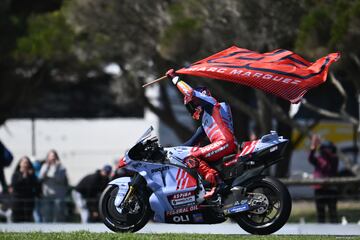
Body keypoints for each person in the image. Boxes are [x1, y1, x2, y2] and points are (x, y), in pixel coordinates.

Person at [166, 69, 237, 199]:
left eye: (191, 104)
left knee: (191, 158)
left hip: (224, 142)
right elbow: (190, 143)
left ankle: (218, 184)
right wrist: (168, 151)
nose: (191, 108)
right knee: (191, 154)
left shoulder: (210, 103)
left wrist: (174, 78)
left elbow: (190, 92)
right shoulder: (207, 120)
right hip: (227, 144)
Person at [309, 134, 339, 223]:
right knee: (320, 212)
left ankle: (335, 231)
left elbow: (329, 155)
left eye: (329, 148)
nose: (327, 150)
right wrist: (314, 146)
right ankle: (321, 231)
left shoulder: (334, 159)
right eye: (326, 148)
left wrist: (320, 143)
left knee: (333, 211)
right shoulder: (318, 159)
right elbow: (310, 158)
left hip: (331, 189)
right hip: (319, 188)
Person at [39, 150, 68, 222]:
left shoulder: (61, 167)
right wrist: (47, 168)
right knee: (47, 214)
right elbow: (41, 177)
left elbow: (60, 179)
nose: (52, 158)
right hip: (47, 195)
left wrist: (56, 168)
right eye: (51, 156)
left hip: (58, 195)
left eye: (54, 156)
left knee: (58, 214)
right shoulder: (44, 166)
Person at [10, 156, 39, 222]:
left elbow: (36, 185)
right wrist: (23, 176)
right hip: (17, 201)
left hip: (28, 201)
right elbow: (15, 185)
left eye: (27, 163)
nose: (25, 164)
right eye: (24, 163)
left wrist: (31, 176)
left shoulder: (31, 175)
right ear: (20, 164)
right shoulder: (15, 174)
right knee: (17, 218)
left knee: (28, 218)